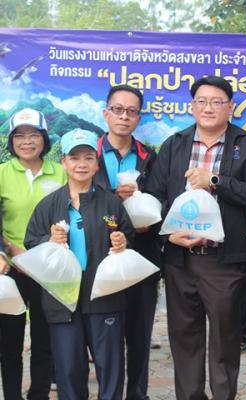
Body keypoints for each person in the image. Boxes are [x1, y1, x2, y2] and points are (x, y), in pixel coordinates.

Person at [146, 76, 246, 400]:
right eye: (201, 101)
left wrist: (215, 180)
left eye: (217, 102)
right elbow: (154, 196)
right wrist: (169, 235)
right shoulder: (174, 144)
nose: (208, 108)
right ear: (192, 106)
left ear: (230, 107)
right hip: (180, 260)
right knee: (184, 340)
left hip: (225, 261)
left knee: (225, 342)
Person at [24, 128, 135, 399]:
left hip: (104, 296)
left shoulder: (111, 203)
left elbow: (127, 235)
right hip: (63, 300)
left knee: (110, 367)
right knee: (69, 369)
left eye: (88, 157)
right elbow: (31, 242)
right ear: (64, 162)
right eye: (74, 158)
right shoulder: (49, 205)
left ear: (97, 163)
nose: (81, 164)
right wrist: (49, 240)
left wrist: (122, 241)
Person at [94, 84, 160, 400]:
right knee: (105, 337)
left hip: (142, 257)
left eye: (131, 111)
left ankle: (137, 394)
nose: (124, 116)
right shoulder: (88, 153)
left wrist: (147, 214)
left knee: (139, 335)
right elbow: (77, 197)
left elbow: (162, 198)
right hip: (99, 255)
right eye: (118, 109)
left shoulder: (150, 156)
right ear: (106, 113)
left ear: (138, 117)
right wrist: (112, 199)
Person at [0, 108, 66, 400]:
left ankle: (38, 393)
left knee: (44, 340)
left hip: (49, 270)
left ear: (45, 139)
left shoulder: (61, 173)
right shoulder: (2, 173)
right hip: (10, 269)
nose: (27, 141)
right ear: (11, 140)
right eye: (19, 135)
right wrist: (7, 250)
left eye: (34, 135)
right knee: (9, 343)